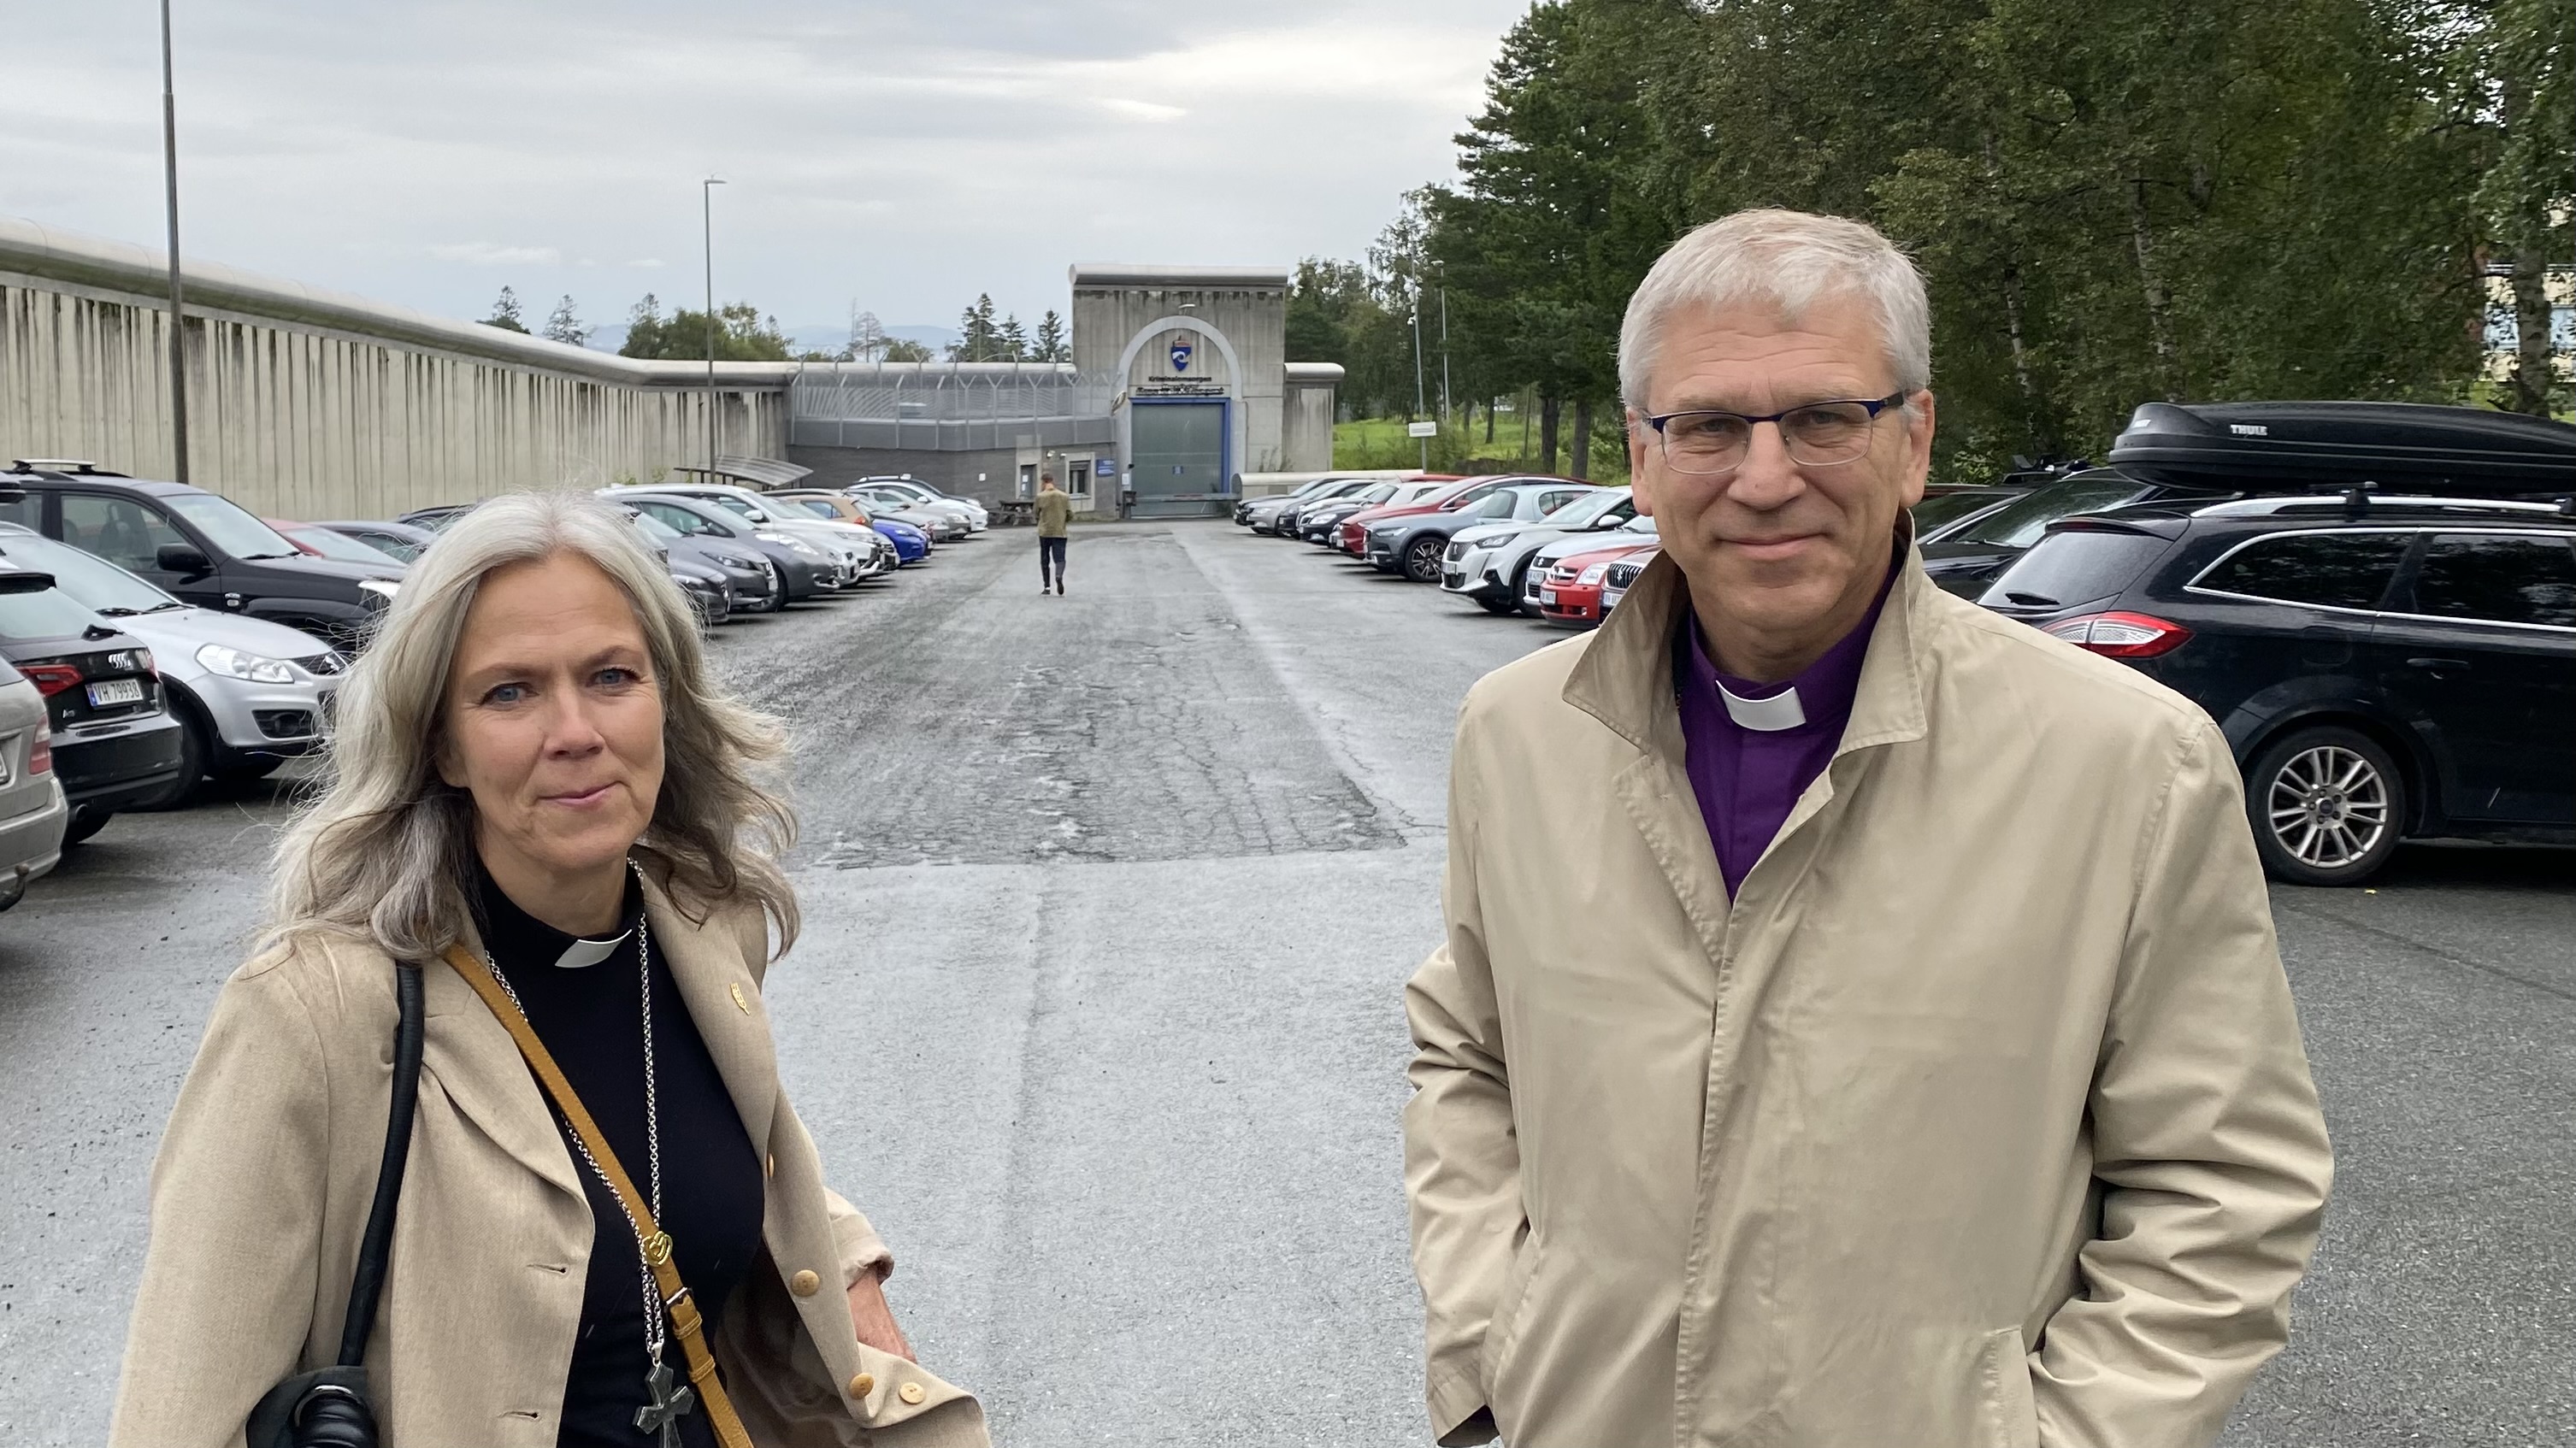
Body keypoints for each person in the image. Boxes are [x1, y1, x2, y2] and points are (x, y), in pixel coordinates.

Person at [1402, 209, 2331, 1447]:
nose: (1766, 476)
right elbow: (1469, 1060)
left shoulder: (2129, 765)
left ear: (1914, 439)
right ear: (1641, 451)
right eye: (1709, 425)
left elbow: (2224, 1185)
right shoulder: (1518, 735)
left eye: (1825, 417)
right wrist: (1485, 1364)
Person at [110, 491, 987, 1447]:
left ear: (667, 697)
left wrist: (852, 1272)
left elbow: (721, 1151)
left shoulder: (700, 933)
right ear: (441, 744)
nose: (574, 730)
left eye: (610, 675)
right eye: (509, 691)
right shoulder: (315, 1012)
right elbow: (178, 1412)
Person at [1035, 471, 1070, 594]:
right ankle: (1059, 576)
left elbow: (1035, 514)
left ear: (1043, 482)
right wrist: (1063, 521)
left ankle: (1047, 587)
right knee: (1059, 558)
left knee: (1045, 559)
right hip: (1060, 532)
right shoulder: (1064, 496)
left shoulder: (1040, 497)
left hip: (1045, 532)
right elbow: (1070, 513)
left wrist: (1041, 521)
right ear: (1052, 481)